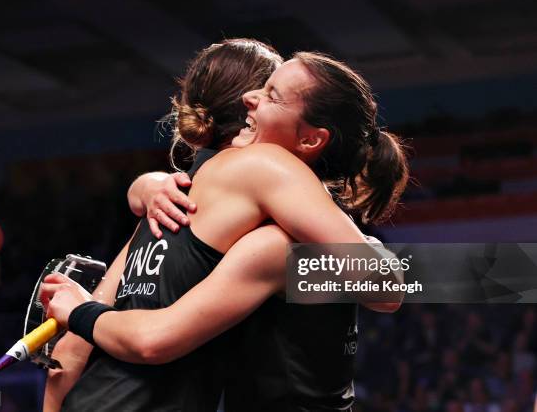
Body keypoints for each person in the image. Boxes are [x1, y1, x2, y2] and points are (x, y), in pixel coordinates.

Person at [41, 39, 409, 411]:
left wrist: (144, 187)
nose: (253, 98)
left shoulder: (174, 201)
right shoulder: (252, 202)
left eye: (271, 94)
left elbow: (75, 349)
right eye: (262, 88)